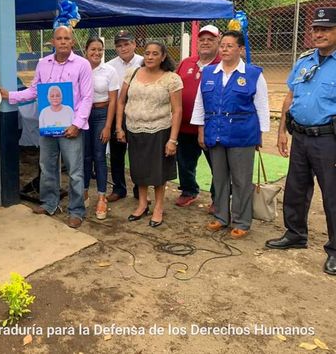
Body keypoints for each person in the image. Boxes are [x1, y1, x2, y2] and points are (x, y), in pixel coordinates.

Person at [0, 25, 94, 229]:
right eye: (58, 38)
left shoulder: (82, 65)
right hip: (49, 125)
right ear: (53, 42)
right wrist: (11, 96)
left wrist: (77, 124)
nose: (62, 42)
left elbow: (87, 97)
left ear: (72, 42)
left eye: (66, 38)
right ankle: (50, 203)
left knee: (75, 171)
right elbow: (35, 90)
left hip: (71, 127)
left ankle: (76, 210)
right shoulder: (43, 63)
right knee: (47, 166)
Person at [265, 7, 336, 276]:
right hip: (301, 137)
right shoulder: (304, 61)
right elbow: (289, 97)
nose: (319, 34)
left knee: (332, 196)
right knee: (295, 189)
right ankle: (295, 234)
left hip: (329, 139)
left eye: (326, 29)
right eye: (316, 29)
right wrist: (282, 131)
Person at [191, 30, 270, 239]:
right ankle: (221, 217)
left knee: (242, 180)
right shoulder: (209, 73)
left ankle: (242, 220)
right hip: (215, 132)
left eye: (230, 45)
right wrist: (200, 129)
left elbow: (261, 106)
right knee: (219, 177)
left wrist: (260, 135)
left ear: (241, 49)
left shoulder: (253, 74)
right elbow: (200, 104)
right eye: (223, 45)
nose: (225, 49)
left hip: (242, 134)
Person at [116, 41, 182, 227]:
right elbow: (121, 102)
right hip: (134, 130)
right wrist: (119, 127)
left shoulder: (171, 79)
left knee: (158, 173)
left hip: (160, 131)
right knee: (139, 170)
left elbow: (177, 111)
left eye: (155, 54)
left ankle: (159, 207)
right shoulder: (133, 74)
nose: (150, 57)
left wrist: (173, 140)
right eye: (147, 53)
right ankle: (142, 204)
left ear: (163, 57)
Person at [175, 25, 221, 210]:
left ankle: (218, 197)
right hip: (185, 125)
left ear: (219, 41)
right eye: (202, 39)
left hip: (211, 126)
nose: (206, 42)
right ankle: (188, 191)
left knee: (217, 164)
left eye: (211, 39)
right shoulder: (186, 62)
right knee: (185, 162)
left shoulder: (222, 64)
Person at [82, 36, 119, 219]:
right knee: (85, 156)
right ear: (86, 51)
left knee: (99, 156)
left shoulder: (109, 71)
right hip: (83, 115)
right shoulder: (80, 68)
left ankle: (102, 198)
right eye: (93, 50)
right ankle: (84, 191)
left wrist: (107, 126)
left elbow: (113, 100)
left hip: (102, 115)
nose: (96, 53)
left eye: (100, 50)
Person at [107, 30, 144, 203]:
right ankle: (119, 188)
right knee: (116, 154)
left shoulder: (144, 62)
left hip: (138, 113)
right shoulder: (110, 65)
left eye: (126, 44)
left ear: (134, 44)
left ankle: (140, 189)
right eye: (119, 45)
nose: (123, 48)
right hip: (117, 114)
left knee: (138, 154)